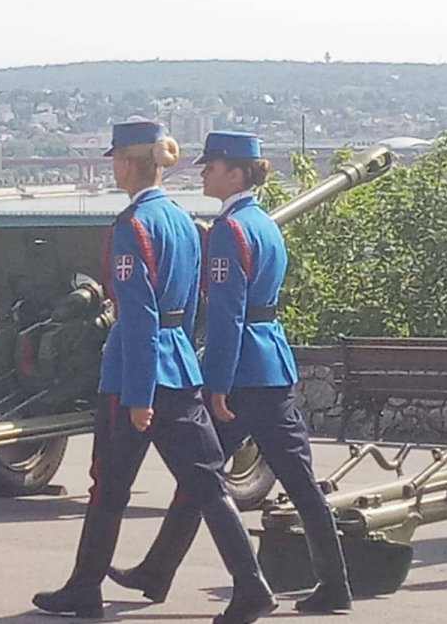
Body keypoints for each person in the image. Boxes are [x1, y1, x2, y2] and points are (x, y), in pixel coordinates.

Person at [31, 121, 276, 623]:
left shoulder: (131, 226)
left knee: (109, 485)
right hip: (179, 366)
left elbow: (137, 314)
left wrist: (138, 393)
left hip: (134, 375)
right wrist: (180, 353)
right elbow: (188, 305)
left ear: (126, 162)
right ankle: (250, 586)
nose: (113, 167)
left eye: (115, 159)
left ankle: (84, 588)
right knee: (207, 482)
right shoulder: (184, 222)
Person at [108, 131, 352, 613]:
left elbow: (226, 317)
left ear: (236, 173)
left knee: (203, 478)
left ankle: (208, 580)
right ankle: (334, 583)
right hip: (272, 363)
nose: (203, 173)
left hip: (241, 374)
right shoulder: (264, 225)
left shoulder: (229, 231)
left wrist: (216, 384)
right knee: (267, 479)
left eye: (212, 166)